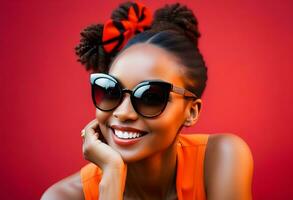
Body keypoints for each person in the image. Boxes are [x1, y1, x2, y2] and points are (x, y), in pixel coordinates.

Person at [41, 1, 254, 200]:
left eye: (150, 97)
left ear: (191, 112)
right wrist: (112, 178)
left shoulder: (221, 158)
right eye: (111, 91)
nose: (123, 112)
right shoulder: (62, 197)